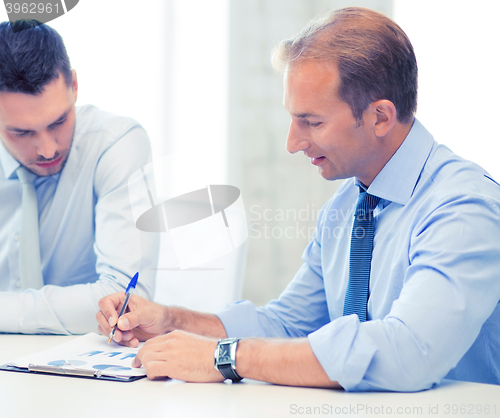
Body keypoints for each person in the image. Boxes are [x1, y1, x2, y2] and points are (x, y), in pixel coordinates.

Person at [97, 7, 500, 392]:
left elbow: (408, 353)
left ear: (380, 117)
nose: (293, 143)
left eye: (312, 121)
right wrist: (172, 320)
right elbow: (289, 324)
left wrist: (225, 358)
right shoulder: (346, 206)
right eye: (293, 118)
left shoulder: (463, 208)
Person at [0, 20, 158, 334]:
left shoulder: (116, 142)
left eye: (59, 121)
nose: (47, 150)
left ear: (74, 85)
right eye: (21, 132)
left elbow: (126, 299)